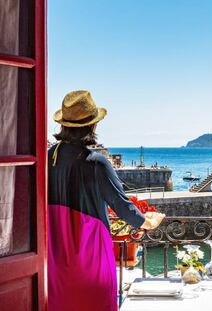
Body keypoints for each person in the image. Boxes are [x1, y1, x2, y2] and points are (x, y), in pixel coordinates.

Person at [48, 90, 165, 311]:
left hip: (54, 254)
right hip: (89, 252)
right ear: (93, 126)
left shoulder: (48, 158)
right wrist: (148, 222)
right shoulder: (95, 162)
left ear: (63, 125)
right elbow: (121, 205)